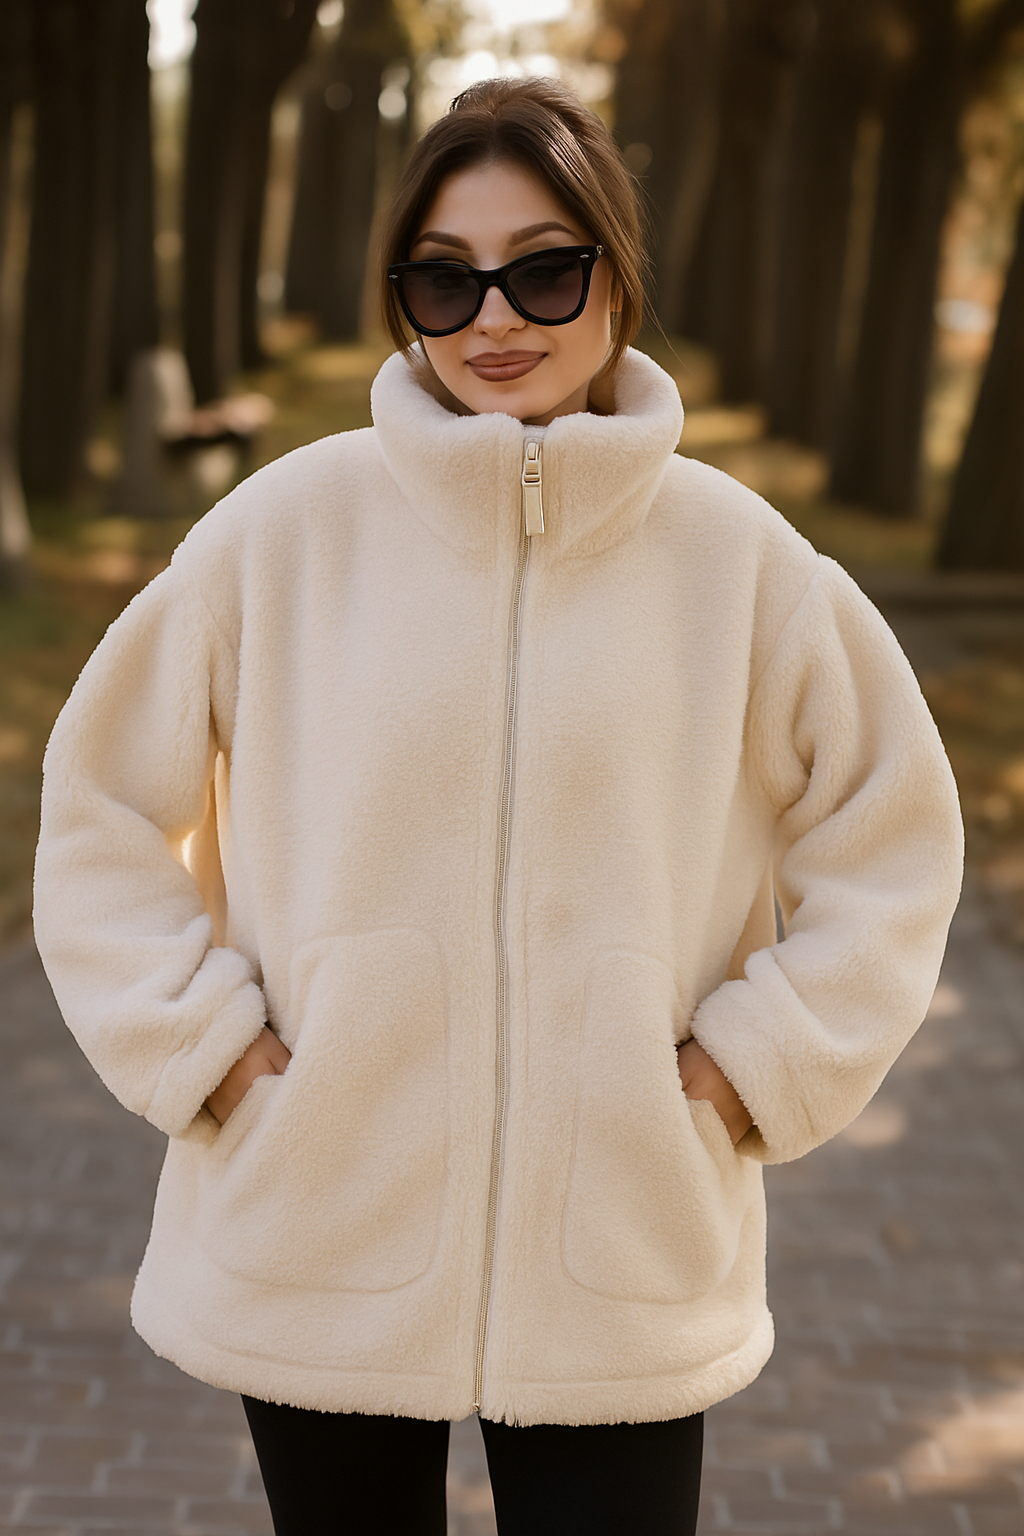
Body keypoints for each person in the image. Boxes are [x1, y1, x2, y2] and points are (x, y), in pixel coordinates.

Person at [33, 76, 963, 1536]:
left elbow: (891, 837)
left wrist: (753, 1064)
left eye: (543, 267)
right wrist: (206, 1053)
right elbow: (98, 811)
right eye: (443, 280)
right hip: (318, 1225)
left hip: (628, 1253)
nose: (494, 317)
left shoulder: (744, 566)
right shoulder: (281, 536)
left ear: (615, 279)